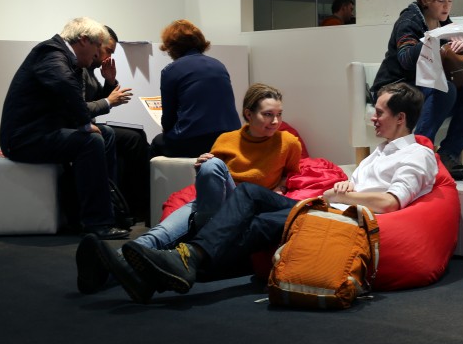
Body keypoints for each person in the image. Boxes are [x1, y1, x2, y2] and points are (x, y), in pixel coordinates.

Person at [116, 82, 438, 301]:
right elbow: (365, 187)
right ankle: (176, 263)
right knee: (248, 200)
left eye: (379, 112)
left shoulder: (417, 154)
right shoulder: (379, 152)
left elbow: (391, 202)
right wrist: (347, 185)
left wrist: (343, 196)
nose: (373, 117)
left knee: (252, 214)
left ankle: (175, 263)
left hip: (336, 216)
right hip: (323, 207)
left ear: (400, 118)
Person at [76, 83, 301, 298]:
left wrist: (281, 186)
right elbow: (213, 179)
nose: (275, 121)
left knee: (228, 181)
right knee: (161, 232)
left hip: (245, 207)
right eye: (268, 114)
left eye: (279, 115)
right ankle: (117, 266)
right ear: (248, 114)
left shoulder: (288, 142)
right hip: (216, 201)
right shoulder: (227, 139)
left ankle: (108, 271)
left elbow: (294, 174)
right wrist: (202, 166)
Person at [0, 17, 129, 240]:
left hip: (43, 131)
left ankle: (106, 209)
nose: (97, 54)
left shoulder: (66, 59)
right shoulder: (50, 54)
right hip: (24, 139)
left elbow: (74, 98)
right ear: (84, 40)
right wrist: (84, 123)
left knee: (106, 134)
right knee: (91, 141)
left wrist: (85, 121)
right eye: (98, 46)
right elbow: (66, 89)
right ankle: (97, 222)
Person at [370, 0, 463, 180]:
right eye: (441, 1)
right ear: (425, 0)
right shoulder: (409, 21)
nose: (446, 7)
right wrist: (434, 38)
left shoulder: (444, 23)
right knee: (445, 90)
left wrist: (461, 48)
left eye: (450, 1)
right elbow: (406, 59)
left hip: (423, 88)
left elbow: (453, 60)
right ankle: (417, 155)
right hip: (394, 88)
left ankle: (447, 155)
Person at [82, 26, 150, 225]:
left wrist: (110, 82)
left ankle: (134, 206)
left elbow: (94, 102)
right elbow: (85, 107)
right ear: (96, 45)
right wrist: (109, 100)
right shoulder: (81, 68)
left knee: (137, 137)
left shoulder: (90, 70)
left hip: (88, 124)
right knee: (132, 139)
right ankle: (126, 207)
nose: (108, 57)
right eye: (108, 51)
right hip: (82, 127)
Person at [149, 19, 240, 158]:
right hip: (230, 138)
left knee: (157, 143)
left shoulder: (171, 70)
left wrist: (169, 132)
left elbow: (168, 119)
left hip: (194, 141)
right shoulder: (218, 65)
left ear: (172, 47)